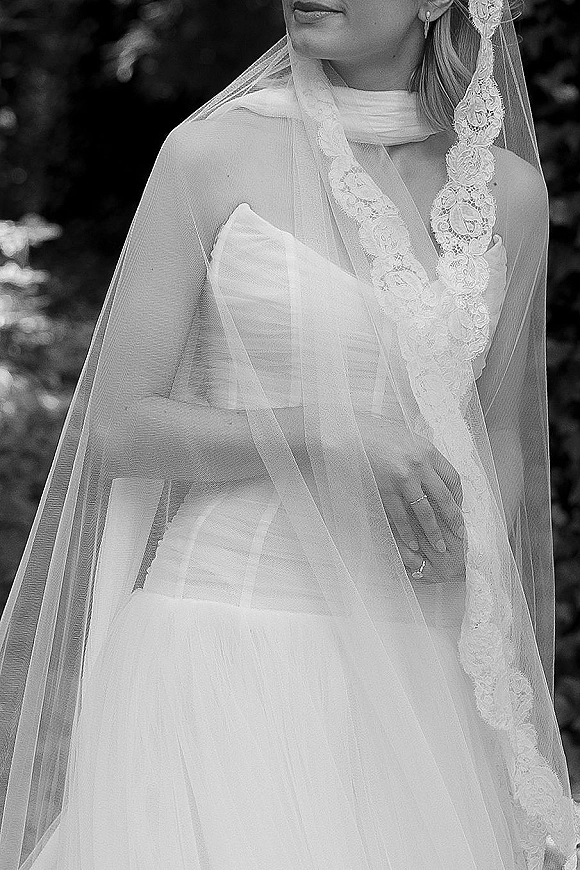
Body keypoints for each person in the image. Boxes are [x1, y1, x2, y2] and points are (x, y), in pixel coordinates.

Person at [1, 0, 579, 868]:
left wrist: (476, 555)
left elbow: (497, 431)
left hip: (420, 654)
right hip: (229, 636)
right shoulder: (211, 155)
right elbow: (118, 428)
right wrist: (321, 436)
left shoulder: (511, 196)